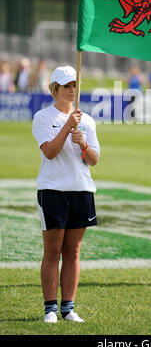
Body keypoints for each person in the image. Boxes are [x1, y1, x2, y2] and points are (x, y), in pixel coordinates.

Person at [32, 66, 100, 323]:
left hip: (81, 190)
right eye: (66, 85)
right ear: (55, 89)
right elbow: (49, 151)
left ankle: (68, 308)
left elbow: (93, 160)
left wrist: (82, 142)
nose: (72, 90)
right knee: (52, 251)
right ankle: (50, 308)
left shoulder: (88, 121)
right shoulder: (42, 117)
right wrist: (67, 127)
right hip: (52, 191)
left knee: (73, 252)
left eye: (74, 85)